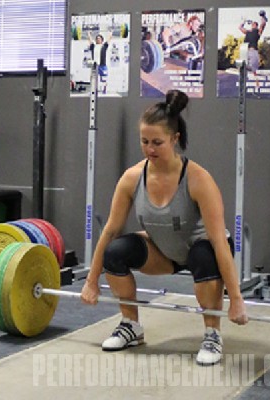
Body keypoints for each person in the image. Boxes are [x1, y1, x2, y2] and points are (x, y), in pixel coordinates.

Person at [81, 90, 248, 366]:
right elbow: (110, 230)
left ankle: (212, 333)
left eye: (157, 142)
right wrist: (91, 280)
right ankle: (131, 326)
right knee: (115, 251)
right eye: (144, 141)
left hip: (205, 251)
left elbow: (219, 241)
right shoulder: (132, 178)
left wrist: (237, 299)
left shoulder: (198, 179)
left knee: (202, 255)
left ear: (174, 139)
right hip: (164, 253)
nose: (150, 149)